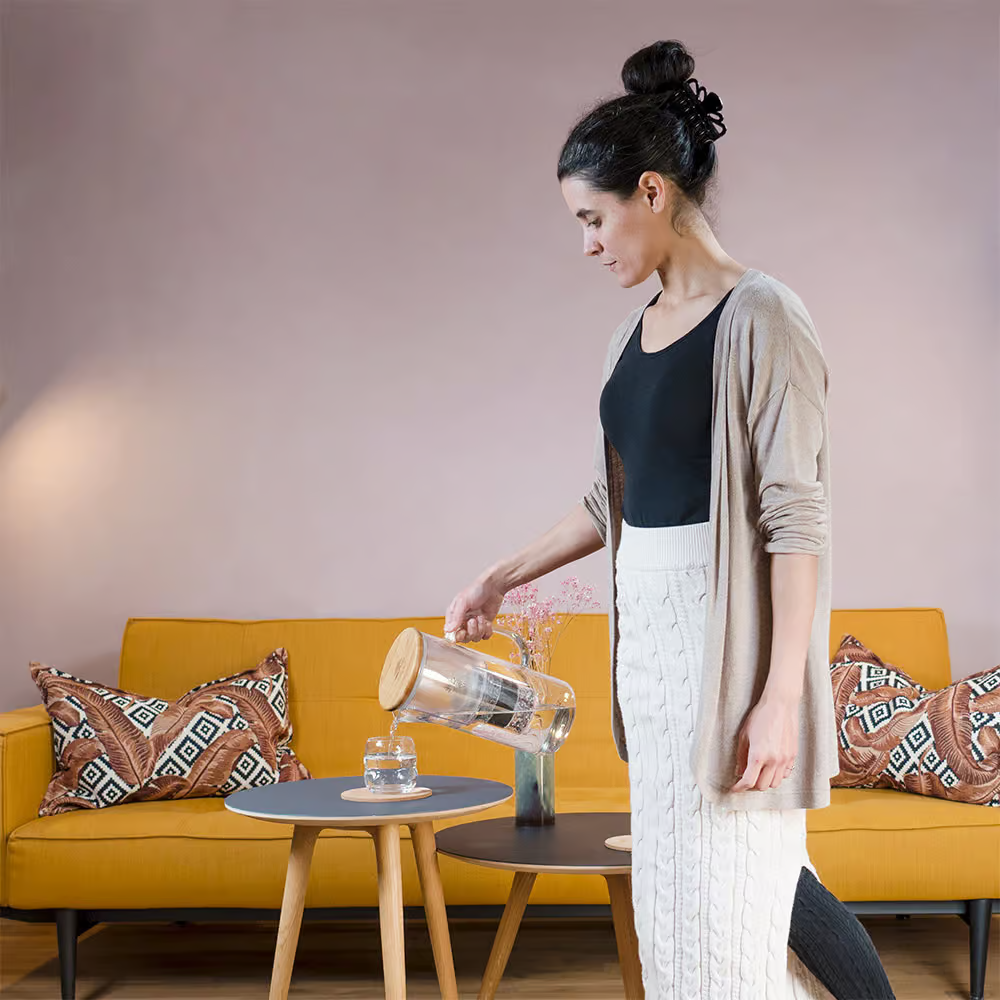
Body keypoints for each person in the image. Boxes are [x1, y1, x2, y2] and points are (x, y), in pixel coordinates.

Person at [443, 38, 896, 1000]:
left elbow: (795, 520)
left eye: (593, 218)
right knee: (686, 893)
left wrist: (777, 697)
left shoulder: (764, 318)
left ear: (652, 191)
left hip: (723, 639)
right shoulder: (630, 336)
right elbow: (618, 498)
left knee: (741, 887)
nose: (588, 245)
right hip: (648, 650)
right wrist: (499, 577)